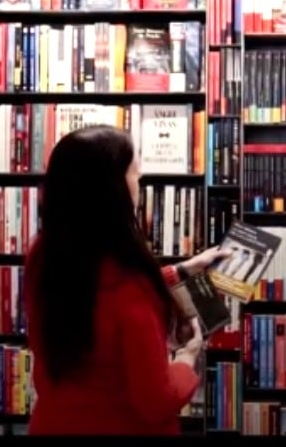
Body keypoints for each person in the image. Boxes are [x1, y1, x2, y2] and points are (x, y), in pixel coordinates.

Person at [24, 125, 229, 435]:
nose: (140, 181)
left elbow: (94, 295)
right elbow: (156, 400)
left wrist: (183, 270)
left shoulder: (45, 255)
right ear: (112, 189)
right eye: (135, 172)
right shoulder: (130, 285)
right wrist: (187, 358)